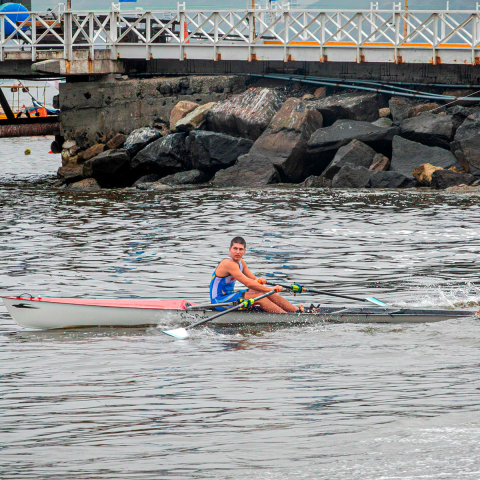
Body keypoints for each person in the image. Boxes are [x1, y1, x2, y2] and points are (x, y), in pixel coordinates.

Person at [210, 236, 303, 313]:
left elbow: (253, 280)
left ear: (244, 251)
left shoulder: (241, 263)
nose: (237, 252)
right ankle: (286, 318)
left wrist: (260, 281)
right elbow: (248, 283)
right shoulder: (228, 263)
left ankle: (296, 311)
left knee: (263, 292)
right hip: (219, 301)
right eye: (235, 248)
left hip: (230, 296)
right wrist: (271, 289)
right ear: (230, 249)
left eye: (240, 249)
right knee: (259, 297)